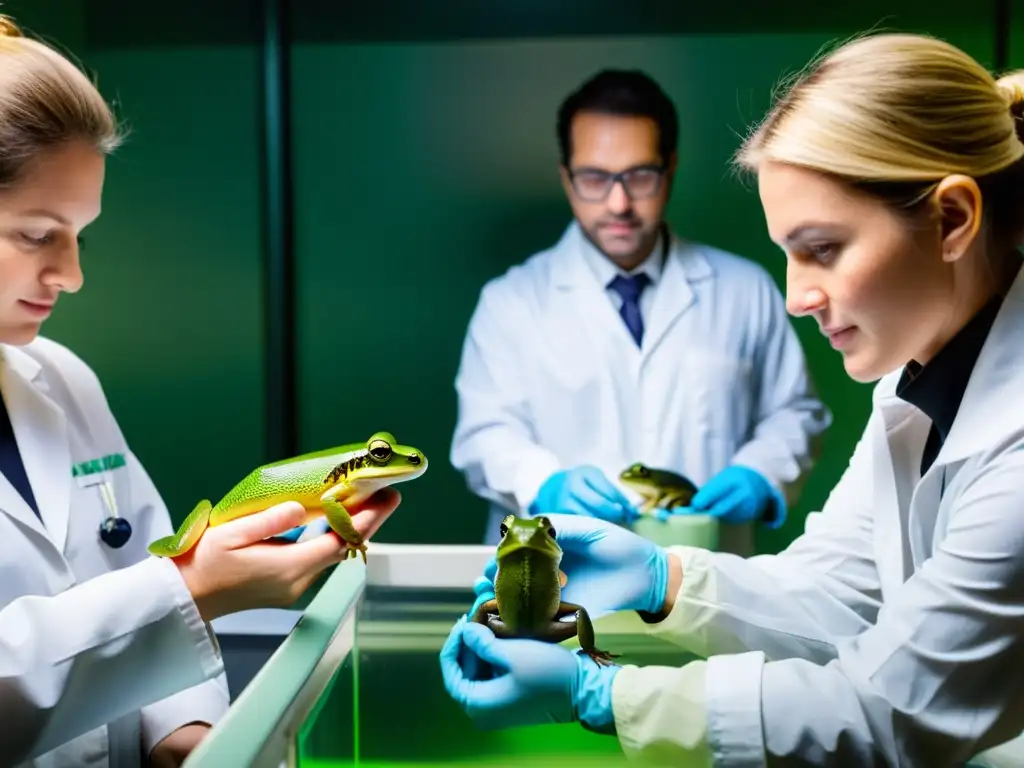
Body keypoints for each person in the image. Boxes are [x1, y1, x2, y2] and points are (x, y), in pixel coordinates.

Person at [440, 31, 1024, 767]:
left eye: (822, 248)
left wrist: (605, 693)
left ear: (953, 220)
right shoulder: (911, 388)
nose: (795, 296)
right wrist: (664, 579)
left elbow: (889, 711)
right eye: (788, 252)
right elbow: (842, 594)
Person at [0, 17, 402, 768]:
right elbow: (165, 593)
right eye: (36, 234)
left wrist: (186, 737)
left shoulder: (62, 379)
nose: (72, 275)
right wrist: (194, 588)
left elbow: (143, 567)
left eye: (81, 236)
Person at [449, 68, 830, 556]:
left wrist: (761, 473)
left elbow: (795, 413)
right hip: (561, 571)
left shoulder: (744, 288)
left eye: (640, 176)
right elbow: (484, 435)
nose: (619, 203)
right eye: (594, 178)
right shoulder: (510, 302)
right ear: (567, 179)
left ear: (670, 169)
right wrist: (543, 482)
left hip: (705, 573)